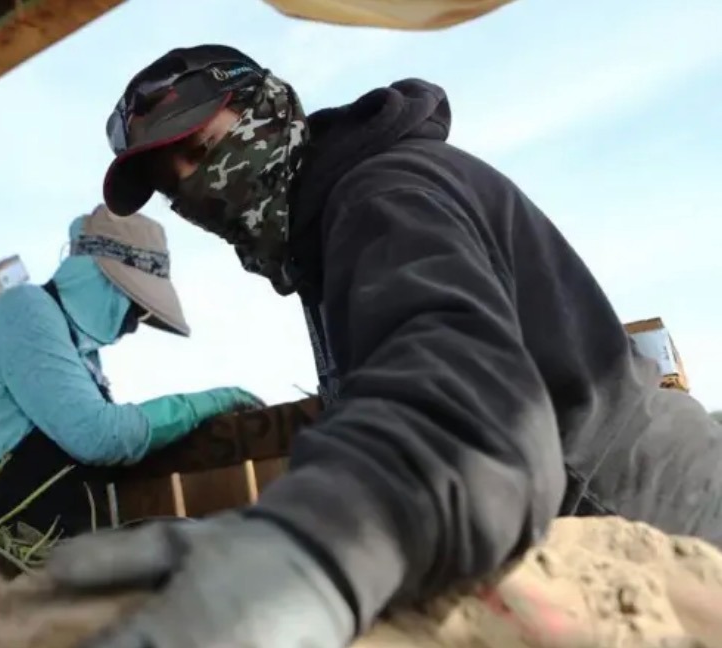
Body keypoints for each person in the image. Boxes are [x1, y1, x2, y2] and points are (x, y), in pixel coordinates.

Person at [45, 45, 722, 647]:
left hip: (659, 519)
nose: (195, 190)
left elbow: (466, 407)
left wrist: (319, 543)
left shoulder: (383, 197)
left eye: (202, 150)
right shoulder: (334, 235)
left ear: (270, 110)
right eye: (171, 185)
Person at [0, 204, 261, 536]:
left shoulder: (77, 352)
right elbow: (98, 435)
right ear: (102, 279)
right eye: (136, 307)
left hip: (37, 547)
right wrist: (200, 405)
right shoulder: (25, 311)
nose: (134, 326)